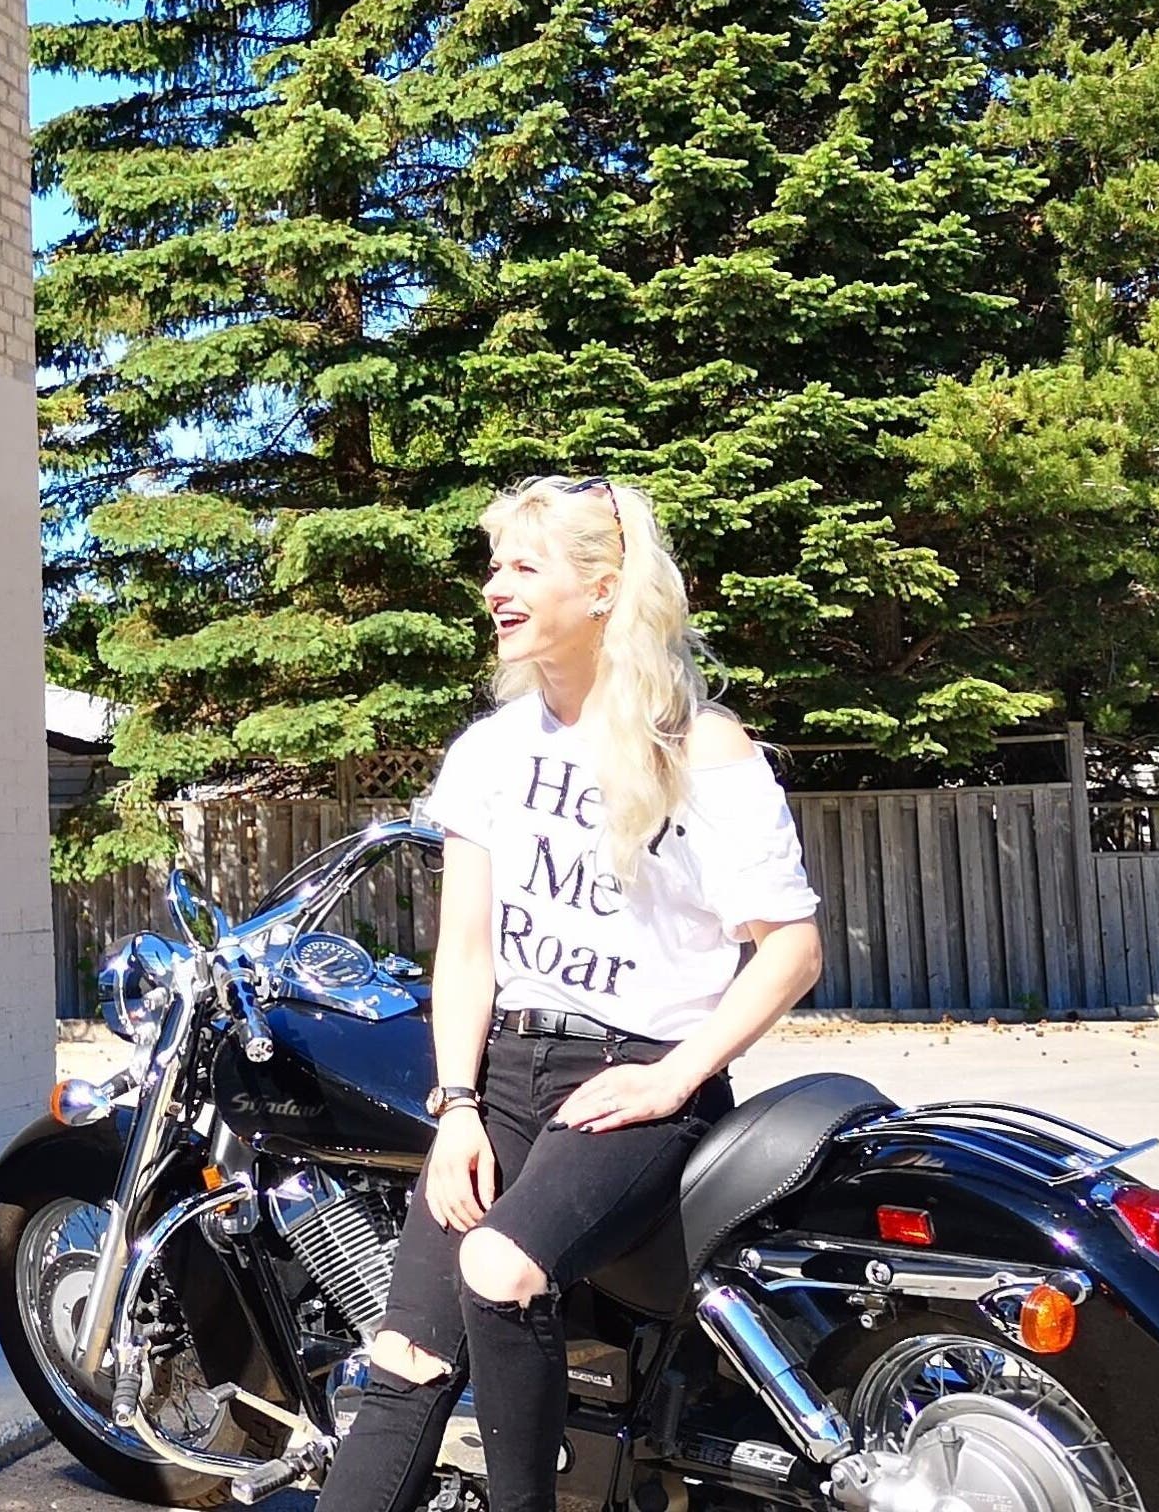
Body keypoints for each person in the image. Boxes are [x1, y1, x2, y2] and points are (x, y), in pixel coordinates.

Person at [314, 476, 825, 1512]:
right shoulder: (488, 753)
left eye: (521, 566)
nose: (493, 588)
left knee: (499, 1267)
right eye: (492, 565)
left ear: (599, 591)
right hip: (501, 1072)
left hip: (633, 1080)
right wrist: (455, 1106)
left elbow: (791, 948)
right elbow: (462, 951)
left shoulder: (698, 745)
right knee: (403, 1358)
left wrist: (674, 1077)